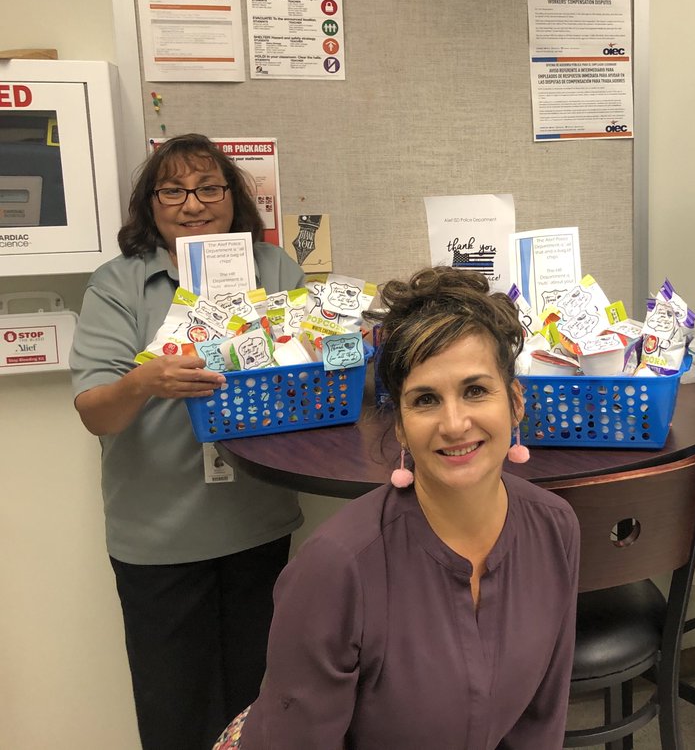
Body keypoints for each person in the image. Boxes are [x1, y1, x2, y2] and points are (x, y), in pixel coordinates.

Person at [236, 267, 580, 749]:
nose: (455, 423)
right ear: (399, 426)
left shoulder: (554, 527)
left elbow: (539, 724)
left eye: (476, 390)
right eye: (425, 400)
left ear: (516, 402)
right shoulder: (337, 567)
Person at [70, 134, 306, 750]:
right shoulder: (118, 285)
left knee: (263, 705)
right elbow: (96, 413)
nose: (192, 204)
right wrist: (146, 380)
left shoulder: (276, 269)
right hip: (160, 536)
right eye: (171, 190)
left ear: (233, 198)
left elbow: (308, 378)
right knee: (176, 711)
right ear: (150, 204)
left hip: (257, 521)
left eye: (208, 188)